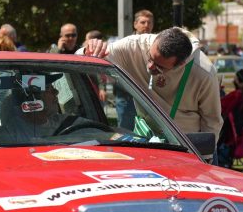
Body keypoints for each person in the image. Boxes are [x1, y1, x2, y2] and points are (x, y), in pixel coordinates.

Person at [82, 27, 222, 137]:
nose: (150, 66)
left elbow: (212, 121)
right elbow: (77, 59)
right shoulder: (134, 46)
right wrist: (88, 50)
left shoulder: (204, 73)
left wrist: (204, 157)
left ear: (181, 65)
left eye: (160, 67)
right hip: (147, 139)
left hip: (188, 144)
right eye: (149, 58)